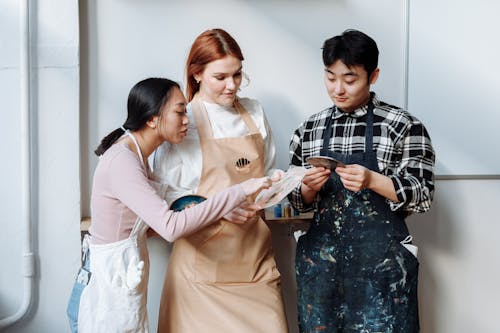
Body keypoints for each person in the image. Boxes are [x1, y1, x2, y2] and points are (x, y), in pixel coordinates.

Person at [66, 77, 273, 333]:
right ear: (153, 119)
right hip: (104, 291)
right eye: (179, 112)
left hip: (119, 282)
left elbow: (154, 224)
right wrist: (238, 191)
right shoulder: (122, 161)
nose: (187, 119)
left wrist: (216, 209)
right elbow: (169, 227)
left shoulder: (139, 157)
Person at [288, 29, 435, 332]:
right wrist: (307, 188)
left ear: (373, 75)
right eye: (330, 77)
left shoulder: (402, 125)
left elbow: (423, 195)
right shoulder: (310, 128)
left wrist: (372, 180)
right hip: (321, 270)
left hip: (381, 271)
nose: (338, 88)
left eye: (350, 79)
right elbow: (292, 200)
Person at [153, 29, 288, 332]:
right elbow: (165, 201)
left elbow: (265, 173)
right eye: (221, 77)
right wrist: (218, 207)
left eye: (238, 75)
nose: (232, 86)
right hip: (200, 273)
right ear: (197, 73)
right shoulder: (183, 120)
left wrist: (278, 184)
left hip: (255, 264)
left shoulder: (254, 111)